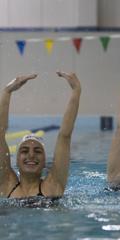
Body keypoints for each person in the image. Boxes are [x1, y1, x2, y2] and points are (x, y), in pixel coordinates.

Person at [0, 71, 81, 199]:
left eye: (37, 151)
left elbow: (64, 136)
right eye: (24, 151)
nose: (31, 155)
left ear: (45, 162)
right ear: (15, 160)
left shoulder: (53, 185)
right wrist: (7, 91)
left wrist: (76, 91)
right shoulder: (6, 184)